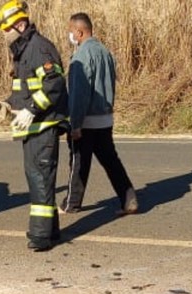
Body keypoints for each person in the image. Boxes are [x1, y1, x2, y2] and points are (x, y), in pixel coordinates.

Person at [0, 1, 68, 252]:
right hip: (33, 128)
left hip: (44, 126)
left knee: (40, 179)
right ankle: (51, 231)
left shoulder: (39, 48)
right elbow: (23, 91)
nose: (4, 36)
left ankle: (40, 236)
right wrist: (7, 103)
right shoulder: (23, 52)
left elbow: (54, 85)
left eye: (6, 30)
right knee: (40, 180)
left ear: (20, 24)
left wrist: (32, 109)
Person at [62, 12, 138, 215]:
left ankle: (71, 204)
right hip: (105, 118)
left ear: (79, 32)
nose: (70, 35)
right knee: (111, 161)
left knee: (78, 163)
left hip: (87, 120)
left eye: (71, 31)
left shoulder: (82, 56)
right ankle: (128, 196)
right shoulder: (105, 52)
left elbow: (79, 93)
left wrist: (75, 124)